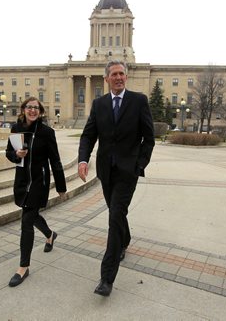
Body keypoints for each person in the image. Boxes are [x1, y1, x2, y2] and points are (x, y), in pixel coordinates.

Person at [78, 60, 155, 296]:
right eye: (114, 74)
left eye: (122, 73)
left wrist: (139, 164)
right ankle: (125, 239)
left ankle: (106, 278)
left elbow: (148, 138)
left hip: (127, 172)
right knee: (116, 211)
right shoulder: (99, 104)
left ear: (126, 77)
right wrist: (83, 159)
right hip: (106, 171)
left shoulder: (138, 101)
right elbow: (88, 135)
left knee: (114, 217)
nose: (119, 77)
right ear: (107, 78)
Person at [5, 97, 67, 287]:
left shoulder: (47, 132)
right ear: (23, 109)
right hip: (22, 181)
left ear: (40, 111)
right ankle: (50, 235)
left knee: (26, 221)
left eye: (36, 108)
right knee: (32, 216)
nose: (32, 110)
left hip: (39, 182)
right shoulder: (16, 129)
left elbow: (55, 160)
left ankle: (23, 267)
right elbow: (8, 153)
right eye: (29, 107)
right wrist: (16, 155)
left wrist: (61, 186)